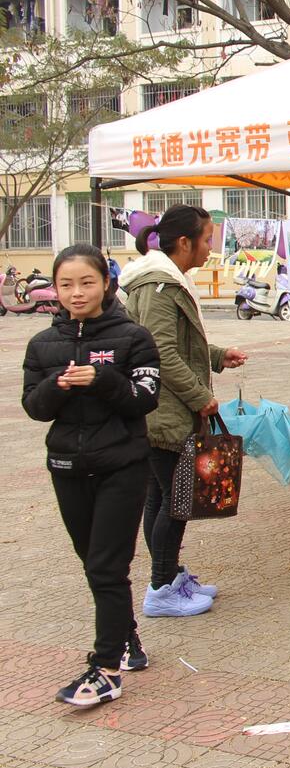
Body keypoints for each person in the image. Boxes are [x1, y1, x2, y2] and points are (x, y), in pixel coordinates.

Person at [21, 244, 162, 706]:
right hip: (67, 467)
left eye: (86, 282)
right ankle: (127, 639)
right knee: (95, 564)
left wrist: (102, 379)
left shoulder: (133, 337)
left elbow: (145, 399)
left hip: (122, 466)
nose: (76, 293)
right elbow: (34, 408)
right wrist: (57, 384)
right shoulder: (42, 345)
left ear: (106, 283)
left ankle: (105, 669)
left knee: (106, 566)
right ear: (55, 289)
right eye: (66, 284)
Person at [119, 205, 247, 618]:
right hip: (165, 413)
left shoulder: (168, 281)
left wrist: (217, 356)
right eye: (207, 240)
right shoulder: (159, 286)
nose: (210, 248)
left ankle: (169, 576)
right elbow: (160, 352)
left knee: (162, 497)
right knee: (177, 501)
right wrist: (198, 396)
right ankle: (160, 588)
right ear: (184, 242)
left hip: (166, 411)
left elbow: (181, 344)